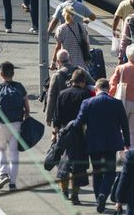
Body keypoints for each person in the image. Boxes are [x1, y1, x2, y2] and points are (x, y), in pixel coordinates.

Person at [73, 78, 130, 213]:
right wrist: (126, 143)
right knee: (110, 172)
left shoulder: (87, 103)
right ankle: (104, 194)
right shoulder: (116, 103)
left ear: (96, 89)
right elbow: (124, 124)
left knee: (97, 171)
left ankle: (99, 196)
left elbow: (78, 122)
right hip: (111, 143)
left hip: (93, 142)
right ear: (109, 89)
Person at [0, 62, 30, 191]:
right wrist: (26, 115)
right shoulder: (20, 87)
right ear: (13, 73)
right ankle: (13, 183)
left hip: (3, 124)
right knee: (14, 153)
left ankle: (3, 174)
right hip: (17, 123)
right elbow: (26, 105)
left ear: (1, 74)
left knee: (0, 149)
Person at [52, 69, 92, 204]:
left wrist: (54, 133)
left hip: (65, 133)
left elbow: (56, 117)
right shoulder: (86, 94)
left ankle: (64, 191)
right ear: (83, 81)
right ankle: (75, 194)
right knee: (78, 166)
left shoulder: (62, 94)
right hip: (80, 133)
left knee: (64, 164)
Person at [45, 49, 94, 126]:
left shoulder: (56, 76)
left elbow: (51, 97)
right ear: (70, 59)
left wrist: (49, 117)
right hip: (81, 108)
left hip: (64, 111)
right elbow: (93, 85)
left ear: (58, 62)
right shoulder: (80, 71)